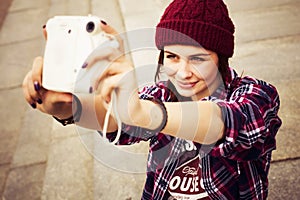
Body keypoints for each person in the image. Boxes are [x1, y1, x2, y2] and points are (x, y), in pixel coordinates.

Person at [22, 0, 282, 199]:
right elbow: (120, 121)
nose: (183, 73)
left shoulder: (258, 96)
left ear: (221, 57)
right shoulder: (160, 94)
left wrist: (146, 114)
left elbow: (226, 122)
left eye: (198, 58)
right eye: (172, 57)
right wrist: (70, 107)